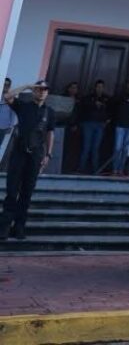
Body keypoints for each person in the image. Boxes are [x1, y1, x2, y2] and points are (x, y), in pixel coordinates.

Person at [0, 80, 56, 241]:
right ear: (34, 91)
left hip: (36, 154)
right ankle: (3, 228)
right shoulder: (23, 106)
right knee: (12, 191)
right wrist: (27, 86)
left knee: (27, 193)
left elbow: (50, 133)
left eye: (45, 89)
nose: (42, 92)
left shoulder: (49, 112)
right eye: (39, 89)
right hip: (19, 152)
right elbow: (7, 96)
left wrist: (48, 154)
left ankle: (19, 227)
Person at [77, 79, 110, 174]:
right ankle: (81, 169)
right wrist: (94, 104)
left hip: (100, 125)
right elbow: (83, 107)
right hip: (88, 123)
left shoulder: (107, 99)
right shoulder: (88, 98)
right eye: (98, 87)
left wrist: (108, 120)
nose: (99, 89)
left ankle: (96, 170)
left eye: (101, 87)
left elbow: (110, 110)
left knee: (96, 148)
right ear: (95, 87)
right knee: (86, 147)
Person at [0, 76, 17, 153]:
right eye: (4, 84)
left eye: (7, 85)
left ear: (9, 86)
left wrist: (10, 126)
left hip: (3, 126)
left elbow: (13, 113)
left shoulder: (11, 98)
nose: (5, 86)